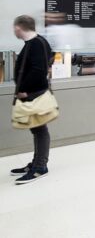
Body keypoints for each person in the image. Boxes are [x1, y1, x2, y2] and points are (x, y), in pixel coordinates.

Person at [11, 15, 54, 184]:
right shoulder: (34, 43)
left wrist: (24, 90)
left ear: (19, 27)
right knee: (37, 129)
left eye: (14, 27)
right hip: (33, 93)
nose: (14, 31)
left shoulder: (36, 44)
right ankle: (36, 163)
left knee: (40, 130)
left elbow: (38, 70)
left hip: (34, 94)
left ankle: (40, 167)